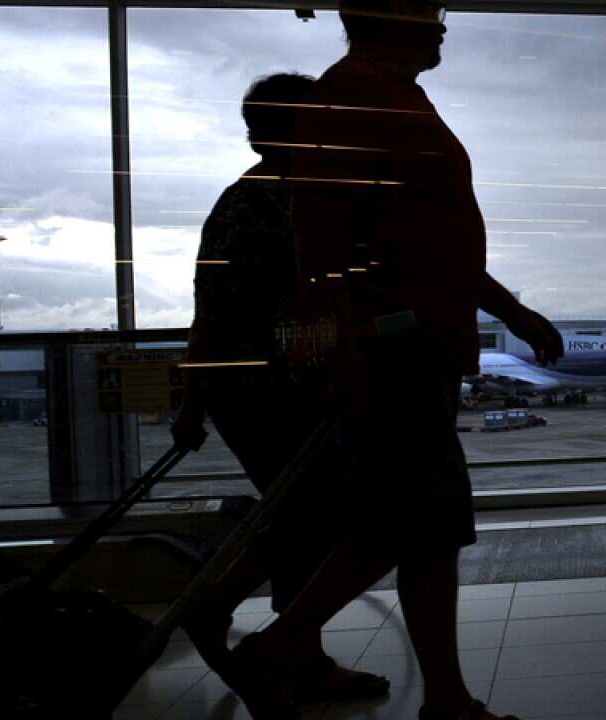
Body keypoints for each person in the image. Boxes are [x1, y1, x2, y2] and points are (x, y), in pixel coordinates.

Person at [218, 2, 563, 719]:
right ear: (387, 19)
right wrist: (344, 354)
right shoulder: (355, 100)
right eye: (429, 12)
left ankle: (441, 696)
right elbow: (326, 249)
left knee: (426, 530)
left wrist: (510, 312)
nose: (442, 26)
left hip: (410, 345)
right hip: (391, 349)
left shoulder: (394, 97)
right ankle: (280, 649)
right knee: (413, 524)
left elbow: (429, 241)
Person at [171, 72, 390, 704]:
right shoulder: (271, 204)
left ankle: (296, 651)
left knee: (309, 515)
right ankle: (228, 608)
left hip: (267, 387)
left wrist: (194, 400)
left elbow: (208, 310)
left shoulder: (258, 200)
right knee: (317, 513)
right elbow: (228, 314)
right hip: (272, 390)